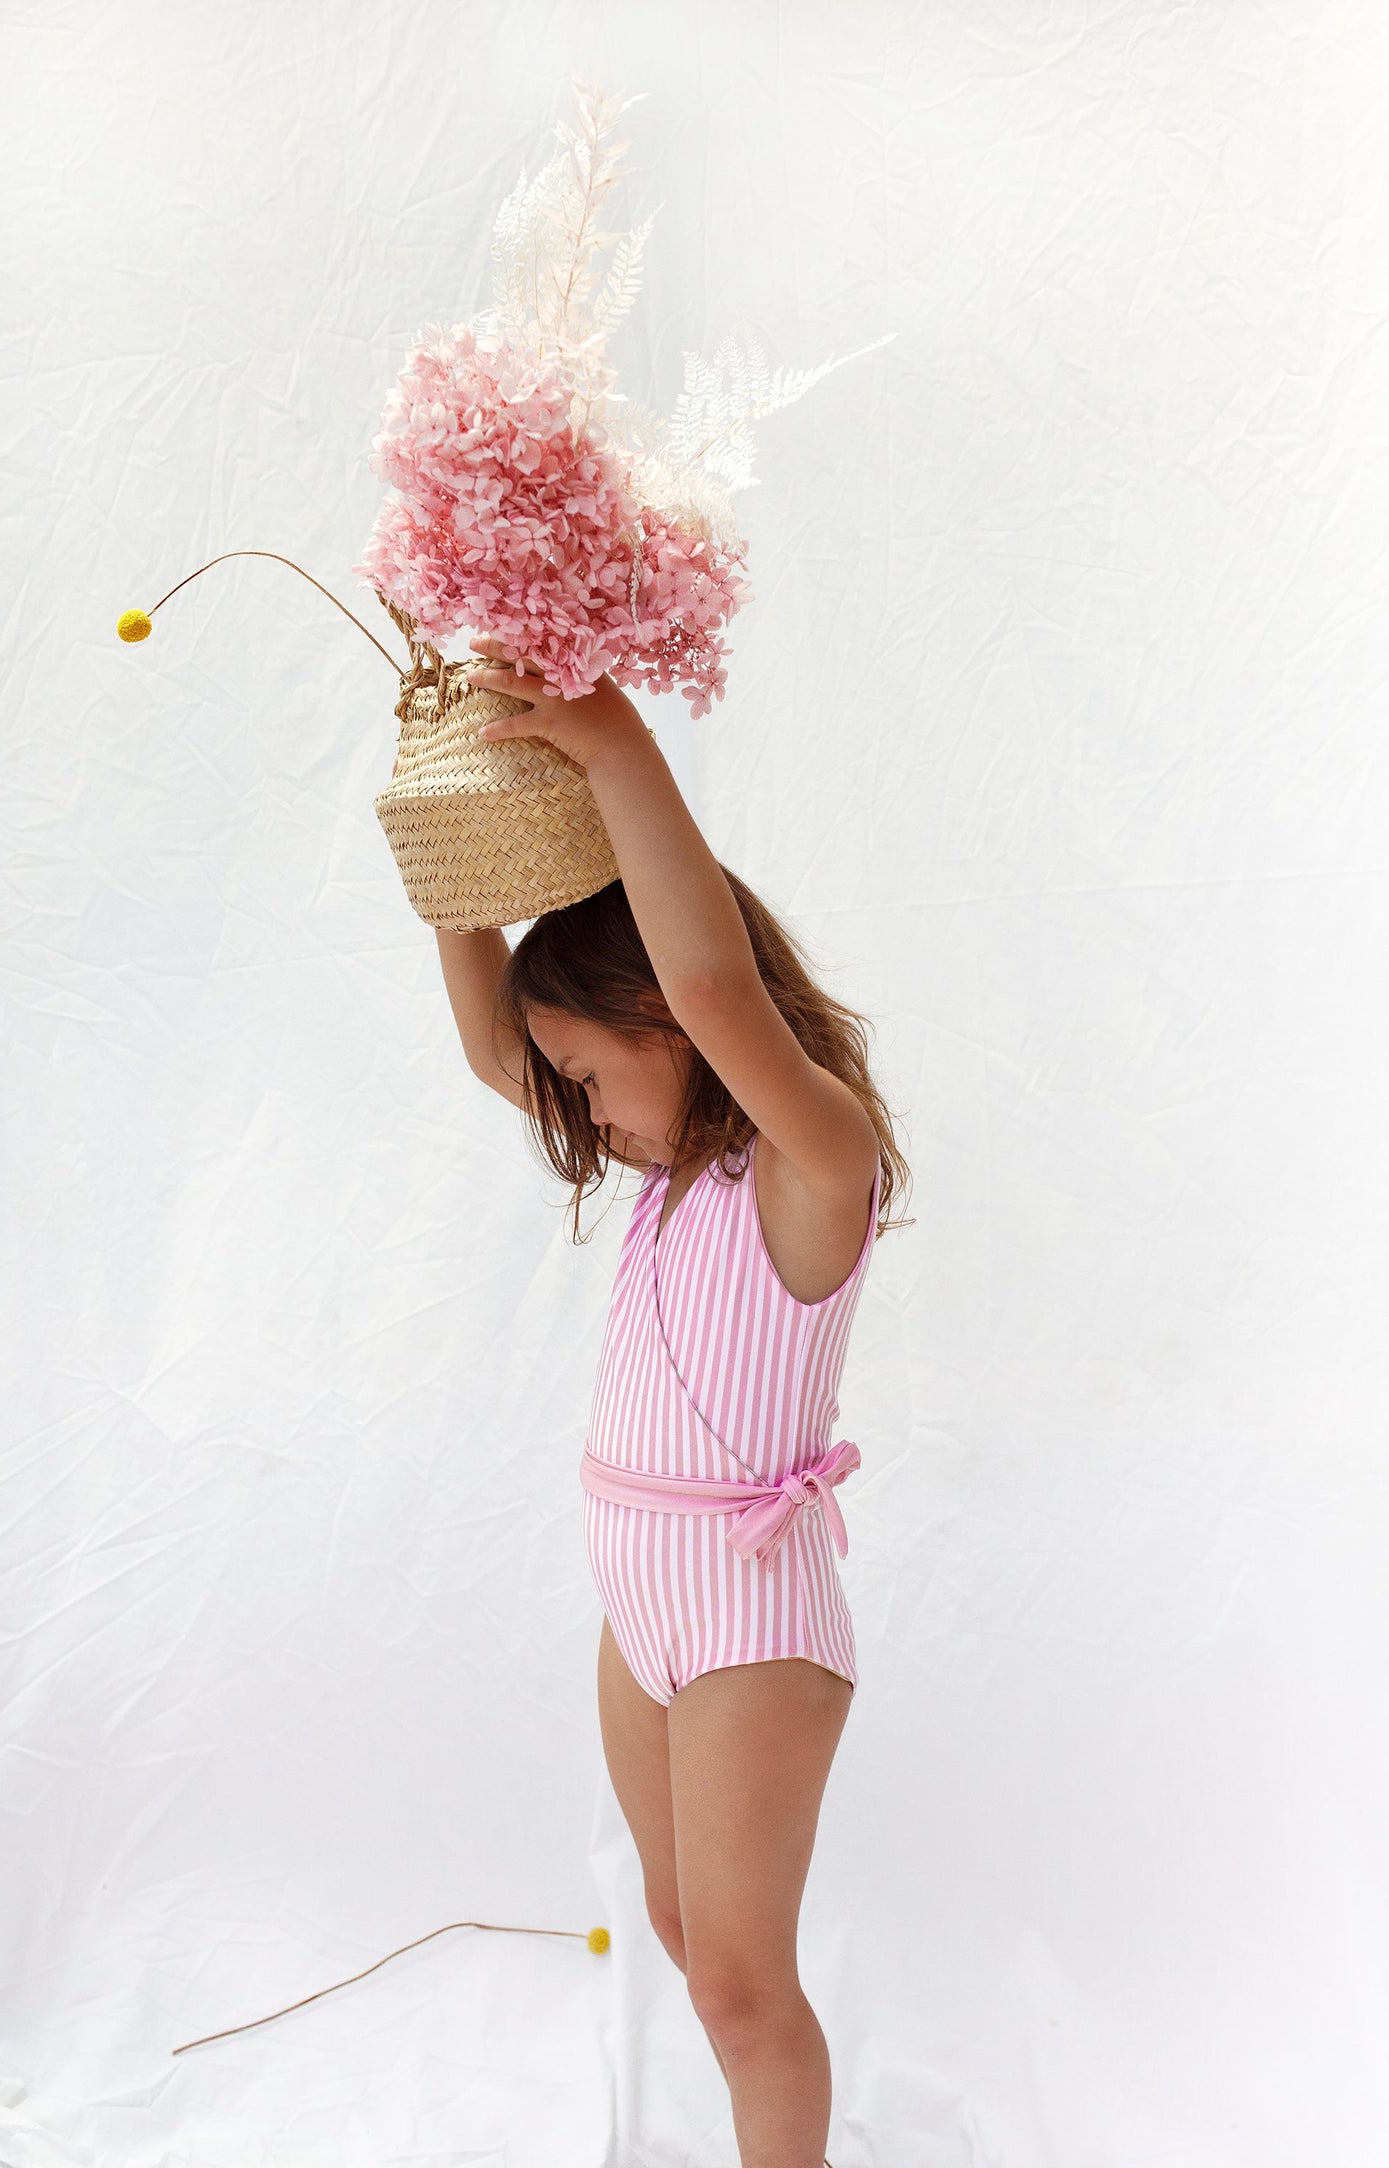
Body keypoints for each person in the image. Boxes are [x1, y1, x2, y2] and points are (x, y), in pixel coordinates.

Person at [433, 635, 913, 2168]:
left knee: (740, 1986)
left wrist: (613, 745)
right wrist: (445, 825)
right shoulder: (663, 1171)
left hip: (749, 1626)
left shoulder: (806, 1168)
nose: (567, 1100)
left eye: (586, 1066)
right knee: (673, 1928)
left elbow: (712, 981)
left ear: (671, 1021)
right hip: (637, 1610)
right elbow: (482, 1041)